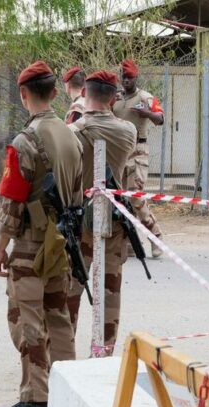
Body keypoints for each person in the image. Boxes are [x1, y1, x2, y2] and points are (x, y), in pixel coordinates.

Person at [0, 60, 83, 407]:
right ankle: (67, 390)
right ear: (55, 93)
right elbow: (78, 190)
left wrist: (1, 248)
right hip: (62, 239)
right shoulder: (71, 135)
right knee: (59, 316)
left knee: (27, 318)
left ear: (24, 95)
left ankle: (36, 399)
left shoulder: (24, 141)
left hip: (32, 241)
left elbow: (13, 202)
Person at [67, 70, 137, 354]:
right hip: (114, 217)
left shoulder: (73, 131)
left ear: (84, 92)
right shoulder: (127, 131)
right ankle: (104, 349)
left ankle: (63, 348)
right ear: (112, 98)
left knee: (71, 286)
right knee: (110, 288)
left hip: (79, 218)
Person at [112, 59, 165, 258]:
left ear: (136, 77)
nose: (126, 81)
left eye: (130, 78)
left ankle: (155, 236)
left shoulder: (145, 97)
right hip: (119, 152)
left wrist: (147, 113)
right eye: (124, 77)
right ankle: (129, 244)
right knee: (121, 199)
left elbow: (160, 119)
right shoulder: (115, 98)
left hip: (138, 150)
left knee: (135, 197)